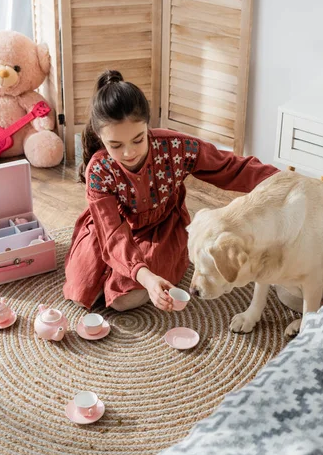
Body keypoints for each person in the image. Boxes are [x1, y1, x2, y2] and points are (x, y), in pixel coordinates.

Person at [63, 70, 278, 312]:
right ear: (101, 137)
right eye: (115, 145)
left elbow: (231, 167)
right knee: (83, 289)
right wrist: (144, 276)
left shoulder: (174, 147)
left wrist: (282, 180)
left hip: (161, 229)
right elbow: (112, 233)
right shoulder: (99, 169)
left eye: (137, 139)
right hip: (113, 229)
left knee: (124, 300)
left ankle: (121, 276)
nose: (128, 153)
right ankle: (113, 275)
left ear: (148, 126)